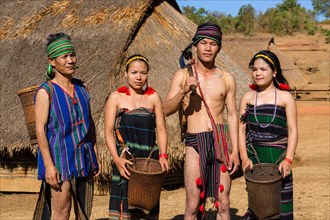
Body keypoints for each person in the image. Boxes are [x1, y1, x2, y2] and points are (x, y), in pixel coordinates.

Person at [163, 23, 240, 219]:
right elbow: (165, 110)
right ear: (195, 47)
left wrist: (236, 151)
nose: (207, 47)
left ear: (219, 48)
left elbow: (232, 115)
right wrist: (183, 91)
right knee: (192, 203)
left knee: (223, 203)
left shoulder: (227, 78)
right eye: (203, 43)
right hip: (194, 142)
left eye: (213, 44)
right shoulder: (182, 76)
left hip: (220, 141)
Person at [33, 32, 101, 220]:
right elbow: (40, 130)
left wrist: (94, 153)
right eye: (64, 56)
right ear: (52, 61)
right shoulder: (46, 92)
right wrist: (49, 166)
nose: (70, 60)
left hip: (84, 156)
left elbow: (90, 122)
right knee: (62, 212)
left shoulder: (83, 87)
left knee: (83, 212)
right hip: (59, 158)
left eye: (72, 55)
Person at [104, 54, 169, 219]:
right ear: (126, 74)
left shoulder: (153, 97)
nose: (138, 77)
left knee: (147, 203)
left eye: (143, 72)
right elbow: (108, 131)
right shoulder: (116, 97)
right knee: (125, 210)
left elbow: (161, 129)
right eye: (134, 72)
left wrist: (162, 155)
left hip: (148, 159)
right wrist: (117, 160)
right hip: (125, 160)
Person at [238, 50, 298, 220]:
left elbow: (293, 130)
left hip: (279, 159)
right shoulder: (248, 98)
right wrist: (244, 157)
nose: (258, 73)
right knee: (259, 205)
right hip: (255, 158)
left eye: (263, 69)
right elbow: (241, 130)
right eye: (254, 69)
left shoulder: (285, 98)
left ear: (275, 71)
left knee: (281, 207)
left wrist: (288, 159)